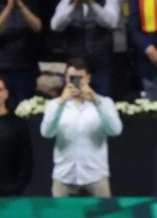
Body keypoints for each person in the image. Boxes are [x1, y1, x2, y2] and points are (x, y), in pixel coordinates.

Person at [40, 59, 123, 197]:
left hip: (96, 177)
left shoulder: (104, 102)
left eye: (80, 78)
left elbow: (115, 131)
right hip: (63, 177)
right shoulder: (54, 104)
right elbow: (47, 133)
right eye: (72, 78)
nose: (76, 82)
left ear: (88, 78)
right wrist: (61, 103)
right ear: (66, 78)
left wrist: (96, 100)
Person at [54, 0, 121, 99]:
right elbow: (56, 25)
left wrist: (91, 3)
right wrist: (75, 5)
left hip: (101, 67)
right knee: (75, 102)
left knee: (102, 103)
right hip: (76, 68)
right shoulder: (67, 0)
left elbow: (112, 22)